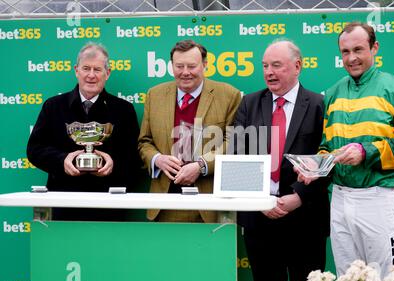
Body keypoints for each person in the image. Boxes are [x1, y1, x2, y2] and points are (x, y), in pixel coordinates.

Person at [296, 22, 394, 279]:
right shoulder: (333, 93)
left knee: (386, 280)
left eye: (358, 49)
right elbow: (327, 147)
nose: (352, 58)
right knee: (348, 280)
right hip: (341, 199)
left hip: (377, 199)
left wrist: (366, 152)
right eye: (345, 52)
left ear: (374, 48)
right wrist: (317, 168)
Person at [232, 39, 330, 281]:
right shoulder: (249, 103)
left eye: (276, 65)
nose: (269, 72)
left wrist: (298, 196)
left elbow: (327, 157)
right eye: (265, 66)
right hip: (259, 218)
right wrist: (262, 199)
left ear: (297, 66)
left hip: (305, 218)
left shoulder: (320, 104)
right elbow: (238, 154)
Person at [27, 42, 141, 221]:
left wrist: (113, 163)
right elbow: (34, 150)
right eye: (86, 68)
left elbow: (134, 159)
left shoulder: (123, 110)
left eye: (97, 69)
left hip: (108, 207)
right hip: (62, 204)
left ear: (107, 73)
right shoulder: (53, 106)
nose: (91, 75)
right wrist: (63, 160)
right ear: (76, 70)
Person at [138, 40, 241, 223]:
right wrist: (157, 159)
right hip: (164, 204)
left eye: (192, 66)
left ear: (205, 65)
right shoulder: (154, 95)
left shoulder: (228, 95)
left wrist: (201, 166)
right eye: (179, 66)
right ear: (172, 66)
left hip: (210, 204)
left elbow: (234, 142)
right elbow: (145, 141)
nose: (185, 72)